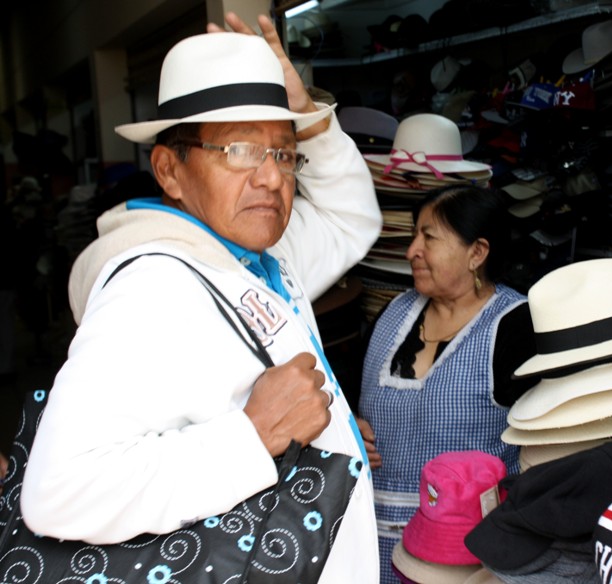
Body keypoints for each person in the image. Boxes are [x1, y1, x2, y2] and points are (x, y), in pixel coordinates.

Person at [19, 12, 381, 582]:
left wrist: (307, 116)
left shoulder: (259, 258)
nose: (270, 178)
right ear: (169, 170)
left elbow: (351, 217)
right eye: (239, 149)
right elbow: (59, 491)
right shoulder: (156, 289)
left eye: (284, 153)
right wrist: (254, 434)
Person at [357, 184, 537, 582]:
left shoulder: (514, 327)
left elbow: (546, 445)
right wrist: (350, 428)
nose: (411, 252)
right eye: (413, 236)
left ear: (477, 252)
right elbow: (351, 403)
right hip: (372, 543)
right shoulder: (392, 315)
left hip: (466, 557)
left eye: (430, 238)